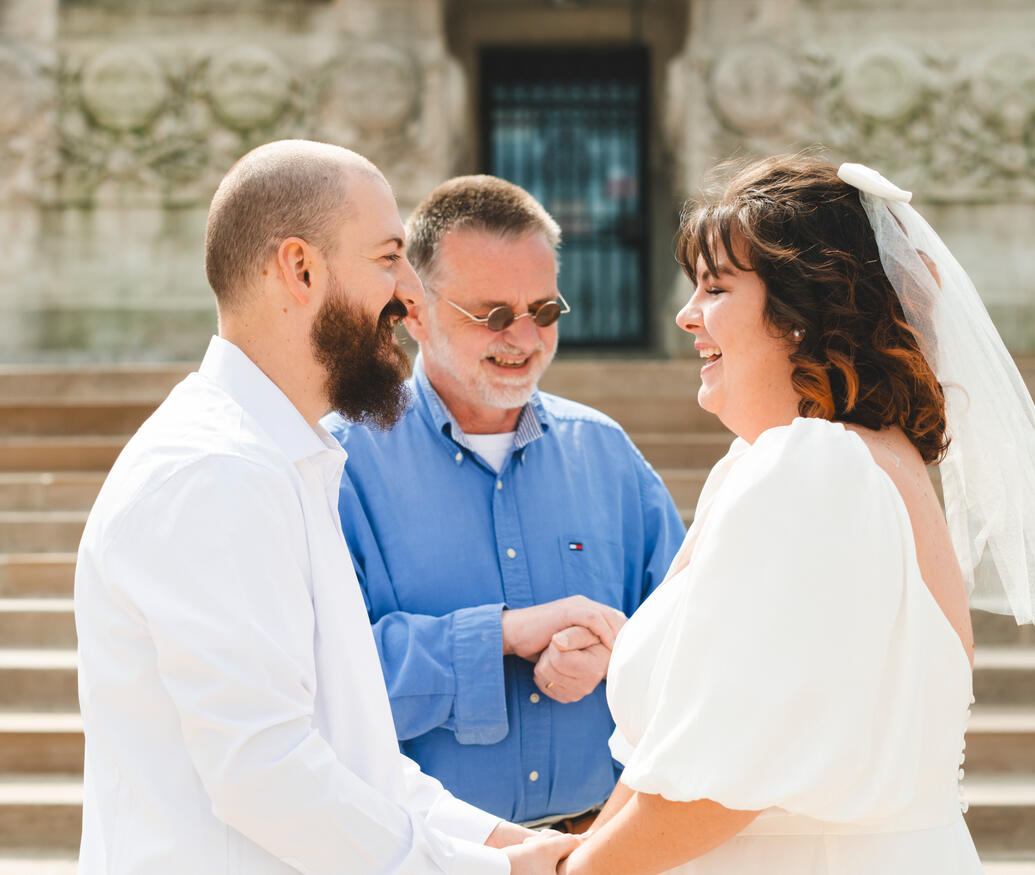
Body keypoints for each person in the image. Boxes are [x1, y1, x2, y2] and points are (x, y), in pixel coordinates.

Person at [74, 140, 580, 874]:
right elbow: (265, 771)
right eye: (387, 259)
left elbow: (355, 758)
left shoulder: (281, 460)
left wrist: (510, 845)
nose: (412, 294)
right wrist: (491, 871)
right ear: (299, 268)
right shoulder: (216, 472)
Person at [560, 155, 1035, 874]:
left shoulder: (815, 471)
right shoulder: (827, 462)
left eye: (714, 288)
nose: (686, 315)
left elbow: (721, 781)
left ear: (800, 314)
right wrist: (576, 849)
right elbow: (679, 751)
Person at [323, 175, 685, 828]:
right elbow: (321, 681)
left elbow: (692, 637)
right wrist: (503, 635)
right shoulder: (336, 466)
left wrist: (620, 654)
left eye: (543, 310)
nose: (522, 336)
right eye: (491, 314)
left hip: (601, 850)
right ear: (412, 308)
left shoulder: (607, 455)